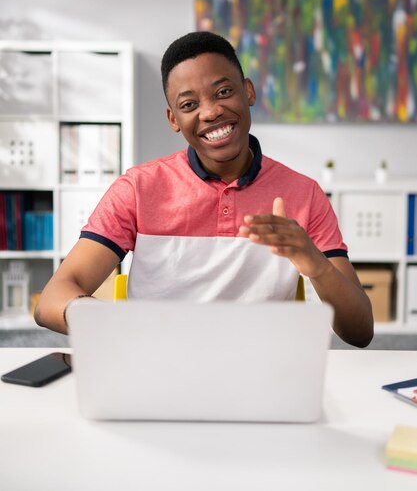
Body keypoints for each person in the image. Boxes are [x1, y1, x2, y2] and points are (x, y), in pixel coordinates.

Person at [35, 31, 374, 347]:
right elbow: (52, 298)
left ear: (249, 92)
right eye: (189, 105)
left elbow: (359, 331)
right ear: (173, 119)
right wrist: (110, 323)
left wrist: (314, 263)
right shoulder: (137, 189)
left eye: (224, 92)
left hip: (262, 373)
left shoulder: (304, 194)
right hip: (158, 366)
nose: (211, 112)